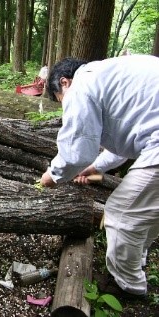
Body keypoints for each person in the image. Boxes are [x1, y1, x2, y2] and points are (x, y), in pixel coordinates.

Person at [40, 55, 159, 299]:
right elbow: (124, 139)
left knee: (121, 213)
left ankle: (127, 286)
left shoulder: (82, 85)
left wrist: (52, 175)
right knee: (143, 212)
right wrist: (96, 168)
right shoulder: (106, 79)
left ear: (64, 83)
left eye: (60, 100)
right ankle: (135, 263)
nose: (64, 106)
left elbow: (75, 153)